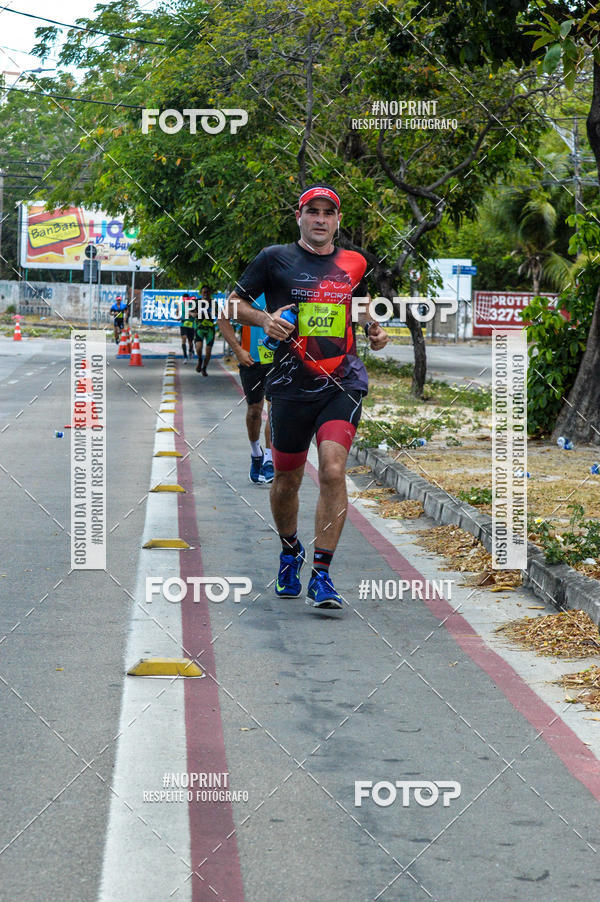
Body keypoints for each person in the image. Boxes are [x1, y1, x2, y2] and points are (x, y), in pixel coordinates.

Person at [225, 184, 388, 611]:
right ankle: (289, 549)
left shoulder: (355, 262)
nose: (320, 219)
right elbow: (232, 306)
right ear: (299, 216)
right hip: (289, 384)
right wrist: (265, 319)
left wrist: (375, 327)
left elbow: (361, 304)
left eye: (327, 213)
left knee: (333, 470)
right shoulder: (273, 258)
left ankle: (321, 573)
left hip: (342, 381)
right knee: (286, 480)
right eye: (311, 211)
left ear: (337, 220)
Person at [218, 293, 274, 484]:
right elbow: (223, 317)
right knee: (254, 412)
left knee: (274, 410)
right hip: (251, 361)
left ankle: (269, 459)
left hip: (277, 361)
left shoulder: (285, 285)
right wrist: (238, 350)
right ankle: (255, 452)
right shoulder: (248, 291)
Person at [194, 285, 217, 376]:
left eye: (207, 292)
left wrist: (214, 313)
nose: (206, 294)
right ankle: (200, 359)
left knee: (208, 351)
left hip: (210, 330)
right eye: (204, 292)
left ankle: (204, 368)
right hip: (199, 328)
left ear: (210, 293)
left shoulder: (213, 303)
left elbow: (218, 314)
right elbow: (191, 311)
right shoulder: (197, 302)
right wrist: (193, 314)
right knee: (199, 347)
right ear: (201, 293)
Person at [180, 293, 195, 362]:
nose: (185, 302)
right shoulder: (180, 305)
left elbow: (195, 314)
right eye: (184, 300)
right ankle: (185, 356)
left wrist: (191, 314)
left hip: (191, 325)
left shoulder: (192, 306)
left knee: (190, 342)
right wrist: (177, 316)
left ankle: (191, 350)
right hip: (183, 325)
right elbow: (177, 313)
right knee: (184, 338)